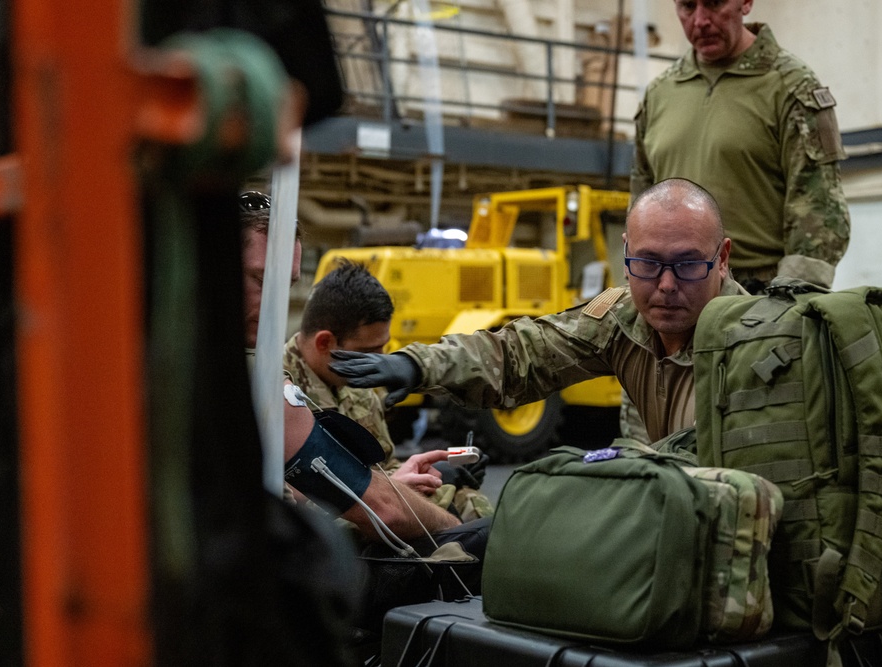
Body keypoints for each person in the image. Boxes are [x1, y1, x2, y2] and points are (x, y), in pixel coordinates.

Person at [330, 178, 747, 445]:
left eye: (689, 264)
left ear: (722, 259)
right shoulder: (623, 319)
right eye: (648, 263)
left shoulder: (756, 343)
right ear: (626, 255)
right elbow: (524, 352)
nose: (667, 284)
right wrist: (418, 364)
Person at [238, 190, 485, 545]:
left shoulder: (344, 385)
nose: (275, 304)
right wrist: (458, 531)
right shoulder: (270, 385)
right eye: (261, 280)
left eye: (287, 285)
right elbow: (371, 506)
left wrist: (402, 475)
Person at [630, 0, 850, 295]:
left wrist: (791, 303)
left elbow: (819, 209)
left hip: (759, 295)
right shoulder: (659, 95)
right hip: (670, 291)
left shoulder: (792, 88)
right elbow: (640, 198)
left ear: (745, 3)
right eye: (687, 7)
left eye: (713, 3)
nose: (700, 20)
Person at [283, 259, 494, 521]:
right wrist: (394, 485)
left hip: (385, 510)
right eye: (368, 352)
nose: (380, 361)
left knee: (473, 506)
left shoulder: (356, 384)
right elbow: (293, 502)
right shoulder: (276, 393)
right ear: (325, 342)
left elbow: (385, 463)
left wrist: (429, 472)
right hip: (327, 530)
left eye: (383, 347)